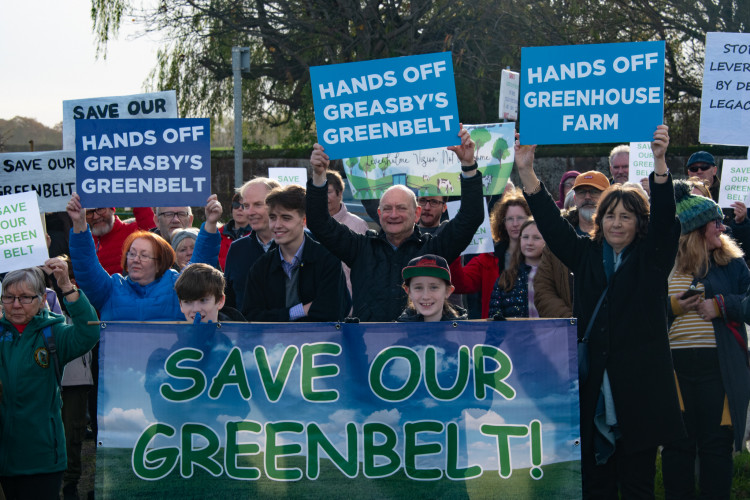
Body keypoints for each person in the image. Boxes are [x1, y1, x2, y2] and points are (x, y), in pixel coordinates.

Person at [515, 125, 684, 497]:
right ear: (598, 220)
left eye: (626, 216)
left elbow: (666, 223)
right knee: (596, 485)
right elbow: (551, 226)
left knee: (638, 484)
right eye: (610, 215)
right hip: (594, 391)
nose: (616, 223)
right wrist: (526, 171)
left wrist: (659, 164)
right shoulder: (586, 255)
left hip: (640, 393)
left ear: (639, 221)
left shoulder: (652, 259)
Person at [306, 124, 483, 322]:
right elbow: (318, 222)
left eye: (401, 208)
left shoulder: (433, 248)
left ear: (416, 213)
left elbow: (471, 217)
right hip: (369, 348)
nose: (393, 214)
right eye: (387, 209)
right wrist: (319, 175)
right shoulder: (360, 248)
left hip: (420, 348)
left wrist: (468, 166)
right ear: (379, 214)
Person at [661, 181, 750, 499]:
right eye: (715, 222)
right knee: (677, 447)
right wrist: (672, 307)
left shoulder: (732, 263)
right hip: (673, 372)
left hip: (719, 369)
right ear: (696, 228)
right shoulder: (662, 264)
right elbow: (639, 312)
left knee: (716, 448)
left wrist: (723, 306)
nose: (722, 226)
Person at [0, 262, 99, 500]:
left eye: (24, 297)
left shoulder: (53, 333)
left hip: (42, 455)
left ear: (42, 297)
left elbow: (88, 333)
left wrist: (66, 285)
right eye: (8, 297)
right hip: (4, 454)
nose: (15, 304)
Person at [67, 193, 183, 321]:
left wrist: (136, 191)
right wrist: (78, 223)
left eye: (100, 209)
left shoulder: (177, 285)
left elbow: (202, 272)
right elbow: (86, 269)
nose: (136, 259)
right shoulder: (112, 290)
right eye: (131, 253)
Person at [243, 184, 349, 322]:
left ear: (304, 220)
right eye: (273, 217)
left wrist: (276, 316)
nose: (277, 225)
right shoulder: (261, 266)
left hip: (320, 342)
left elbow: (332, 312)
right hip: (273, 343)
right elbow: (251, 318)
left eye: (286, 218)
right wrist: (301, 310)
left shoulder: (327, 260)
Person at [534, 170, 609, 318]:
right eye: (581, 192)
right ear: (574, 197)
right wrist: (571, 319)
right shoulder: (557, 239)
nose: (587, 197)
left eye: (594, 192)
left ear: (607, 197)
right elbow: (543, 289)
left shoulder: (617, 238)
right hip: (566, 329)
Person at [449, 189, 531, 318]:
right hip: (496, 332)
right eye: (510, 219)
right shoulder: (488, 258)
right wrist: (456, 248)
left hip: (536, 328)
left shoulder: (542, 254)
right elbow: (460, 284)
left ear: (530, 220)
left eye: (520, 218)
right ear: (502, 223)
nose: (515, 224)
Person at [221, 178, 281, 308]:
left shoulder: (298, 244)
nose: (250, 212)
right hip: (245, 327)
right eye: (246, 206)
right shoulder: (237, 249)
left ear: (277, 205)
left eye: (258, 204)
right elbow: (229, 301)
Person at [489, 218, 545, 318]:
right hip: (515, 333)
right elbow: (495, 316)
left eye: (536, 238)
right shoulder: (506, 278)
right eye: (525, 237)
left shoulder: (555, 276)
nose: (529, 243)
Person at [326, 170, 370, 296]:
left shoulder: (358, 225)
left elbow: (364, 269)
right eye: (319, 193)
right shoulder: (307, 224)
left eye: (328, 192)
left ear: (339, 194)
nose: (323, 197)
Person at [81, 205, 155, 275]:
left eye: (101, 209)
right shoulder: (84, 243)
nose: (96, 217)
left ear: (112, 209)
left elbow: (153, 233)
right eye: (89, 213)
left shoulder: (135, 231)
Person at [397, 254, 466, 321]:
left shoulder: (463, 330)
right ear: (408, 291)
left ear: (448, 291)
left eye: (434, 287)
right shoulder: (397, 331)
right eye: (418, 288)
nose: (426, 296)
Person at [175, 263, 245, 323]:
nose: (196, 309)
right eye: (188, 302)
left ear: (220, 301)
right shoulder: (175, 335)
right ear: (181, 304)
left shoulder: (238, 333)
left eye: (203, 300)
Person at [218, 192, 252, 271]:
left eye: (244, 206)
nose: (239, 209)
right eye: (236, 205)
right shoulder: (218, 233)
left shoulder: (257, 235)